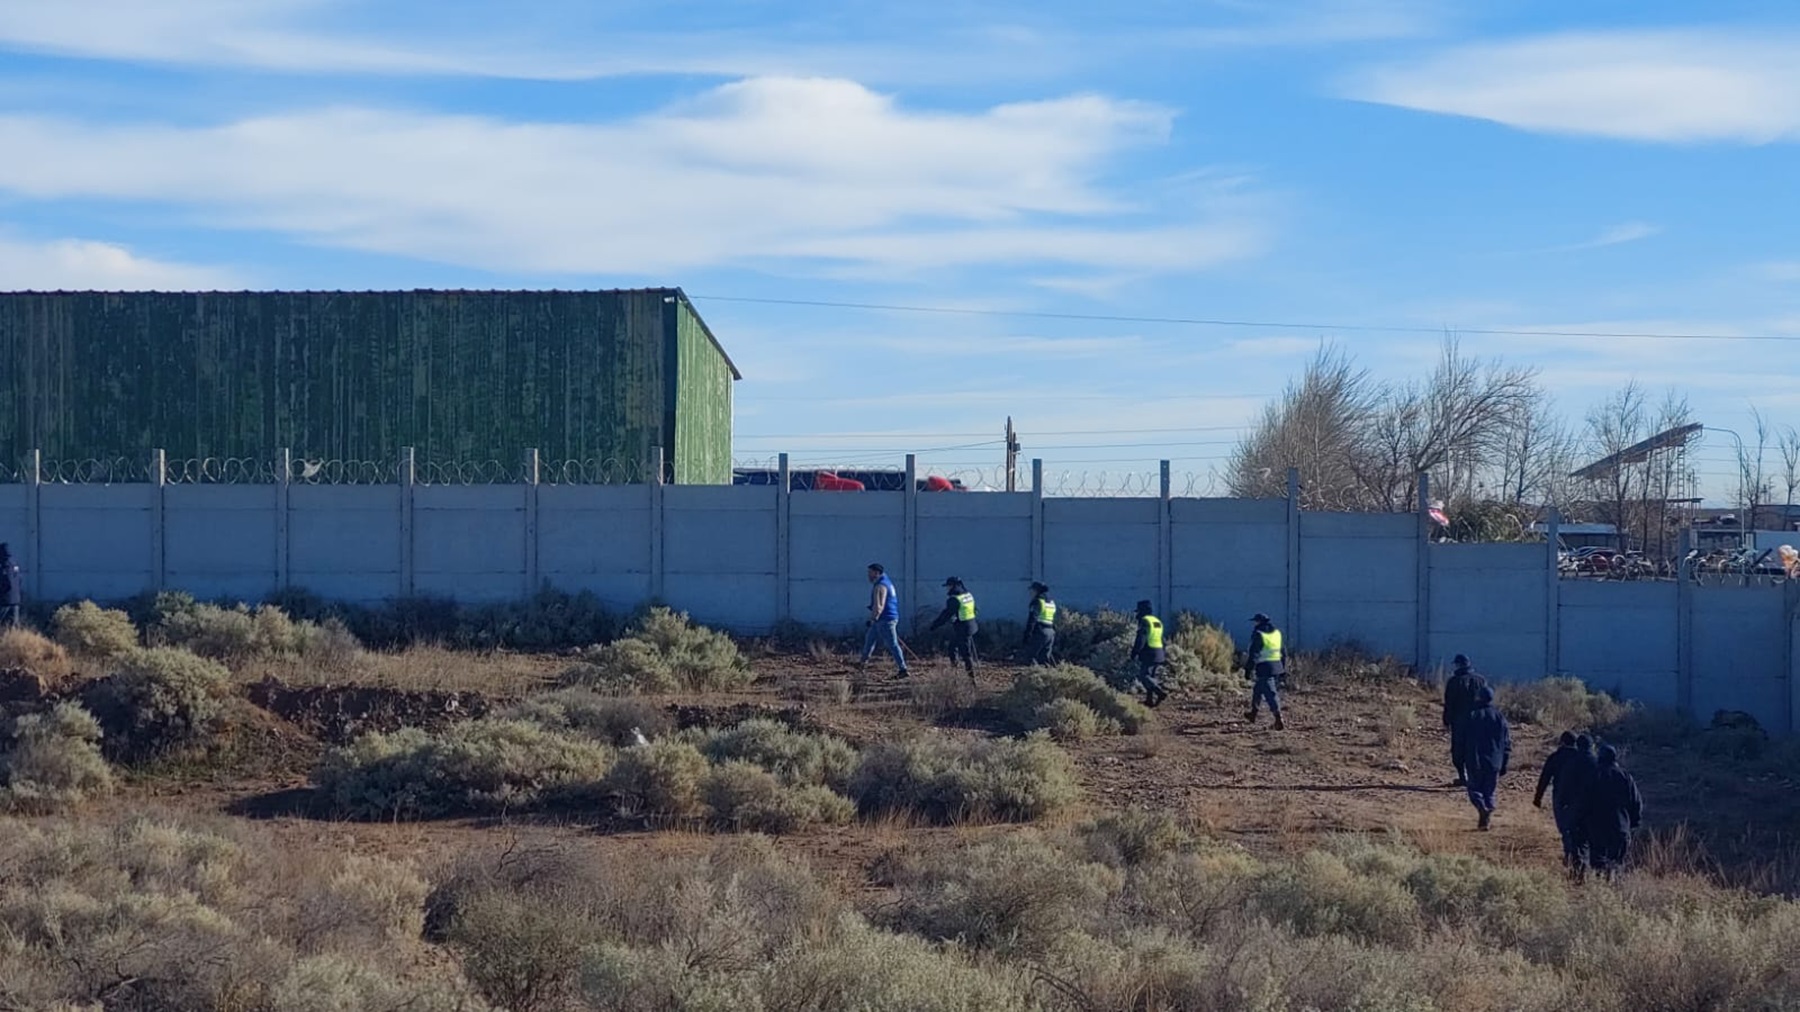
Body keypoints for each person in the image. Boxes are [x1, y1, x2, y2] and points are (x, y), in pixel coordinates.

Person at [1534, 732, 1598, 872]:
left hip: (1562, 798)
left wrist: (1538, 798)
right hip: (1585, 801)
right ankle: (1577, 860)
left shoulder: (1556, 757)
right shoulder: (1584, 757)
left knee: (1566, 829)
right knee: (1581, 833)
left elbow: (1544, 778)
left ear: (1562, 742)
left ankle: (1571, 857)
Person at [1584, 744, 1644, 880]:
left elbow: (1583, 802)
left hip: (1596, 829)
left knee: (1598, 865)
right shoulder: (1625, 776)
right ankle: (1614, 889)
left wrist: (1580, 823)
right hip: (1620, 827)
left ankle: (1601, 891)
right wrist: (1633, 823)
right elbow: (1636, 802)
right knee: (1616, 865)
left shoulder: (1593, 775)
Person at [1456, 685, 1512, 830]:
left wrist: (1459, 758)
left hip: (1475, 759)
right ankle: (1487, 813)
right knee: (1490, 790)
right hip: (1495, 761)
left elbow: (1461, 739)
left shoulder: (1471, 714)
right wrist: (1505, 761)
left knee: (1474, 789)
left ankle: (1482, 808)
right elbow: (1506, 742)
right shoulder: (1499, 717)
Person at [1442, 654, 1489, 787]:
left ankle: (1463, 776)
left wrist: (1446, 720)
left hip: (1460, 722)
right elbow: (1487, 700)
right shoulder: (1481, 680)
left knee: (1458, 749)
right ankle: (1476, 777)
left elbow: (1449, 703)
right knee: (1475, 749)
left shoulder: (1454, 681)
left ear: (1458, 665)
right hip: (1478, 721)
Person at [858, 563, 908, 678]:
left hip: (885, 620)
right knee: (869, 640)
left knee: (893, 644)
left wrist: (873, 619)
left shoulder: (880, 586)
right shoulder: (887, 583)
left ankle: (903, 669)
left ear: (876, 573)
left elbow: (879, 605)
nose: (868, 576)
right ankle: (862, 664)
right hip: (882, 619)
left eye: (870, 573)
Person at [929, 577, 979, 681]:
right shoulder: (968, 595)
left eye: (948, 586)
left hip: (962, 629)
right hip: (972, 626)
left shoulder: (954, 599)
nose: (947, 588)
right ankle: (961, 676)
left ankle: (970, 680)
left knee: (965, 654)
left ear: (952, 586)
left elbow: (946, 615)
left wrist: (934, 625)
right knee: (954, 648)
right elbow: (976, 610)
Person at [1243, 612, 1285, 730]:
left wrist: (1248, 669)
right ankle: (1253, 713)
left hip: (1264, 667)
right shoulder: (1276, 633)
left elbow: (1254, 653)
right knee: (1258, 689)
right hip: (1276, 666)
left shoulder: (1258, 634)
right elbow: (1283, 652)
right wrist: (1283, 668)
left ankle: (1278, 718)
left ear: (1259, 622)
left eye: (1255, 621)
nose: (1254, 624)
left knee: (1270, 693)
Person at [1130, 600, 1169, 708]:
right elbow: (1161, 638)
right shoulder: (1156, 621)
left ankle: (1160, 693)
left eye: (1138, 612)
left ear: (1142, 611)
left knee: (1144, 676)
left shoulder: (1145, 621)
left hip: (1149, 653)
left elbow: (1141, 639)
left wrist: (1135, 652)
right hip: (1159, 652)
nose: (1137, 614)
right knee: (1151, 676)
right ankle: (1149, 701)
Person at [1023, 582, 1057, 665]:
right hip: (1051, 632)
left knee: (1030, 657)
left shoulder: (1037, 602)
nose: (1030, 592)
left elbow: (1032, 619)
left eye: (1032, 590)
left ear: (1036, 591)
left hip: (1040, 631)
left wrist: (1028, 634)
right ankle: (1048, 676)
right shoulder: (1051, 602)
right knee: (1044, 659)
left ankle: (1035, 676)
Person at [0, 543, 19, 630]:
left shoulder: (5, 564)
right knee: (14, 625)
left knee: (2, 623)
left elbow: (8, 581)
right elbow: (19, 579)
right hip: (16, 599)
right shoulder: (14, 562)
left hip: (6, 600)